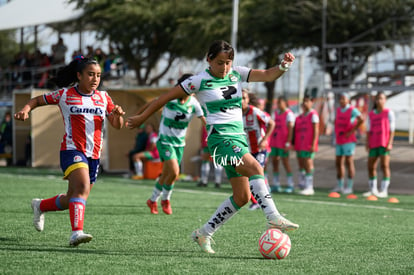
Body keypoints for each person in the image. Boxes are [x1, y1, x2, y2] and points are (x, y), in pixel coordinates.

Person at [126, 40, 299, 254]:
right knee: (255, 167)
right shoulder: (198, 81)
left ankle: (204, 233)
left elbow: (266, 74)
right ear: (208, 59)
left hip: (238, 140)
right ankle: (273, 218)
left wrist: (283, 66)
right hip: (220, 140)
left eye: (228, 62)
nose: (224, 67)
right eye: (219, 62)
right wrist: (142, 117)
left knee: (242, 197)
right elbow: (164, 98)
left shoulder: (237, 73)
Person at [14, 57, 125, 246]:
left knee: (72, 198)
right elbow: (36, 100)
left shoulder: (104, 97)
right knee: (81, 189)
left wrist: (117, 116)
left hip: (94, 156)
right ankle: (76, 233)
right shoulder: (64, 94)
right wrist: (25, 110)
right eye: (90, 74)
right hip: (72, 149)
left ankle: (39, 205)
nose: (95, 79)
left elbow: (117, 125)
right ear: (79, 75)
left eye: (98, 75)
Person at [146, 74, 206, 215]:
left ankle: (152, 200)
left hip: (179, 144)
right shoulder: (170, 98)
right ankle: (165, 200)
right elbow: (152, 103)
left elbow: (203, 119)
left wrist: (213, 132)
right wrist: (138, 116)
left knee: (168, 174)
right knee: (174, 171)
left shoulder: (193, 103)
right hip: (165, 141)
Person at [241, 89, 275, 210]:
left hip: (259, 149)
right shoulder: (234, 114)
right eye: (239, 98)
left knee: (258, 172)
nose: (241, 100)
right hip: (246, 151)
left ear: (248, 99)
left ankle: (265, 198)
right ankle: (256, 201)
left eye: (244, 98)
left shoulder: (254, 112)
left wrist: (265, 139)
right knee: (247, 176)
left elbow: (271, 123)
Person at [364, 92, 395, 198]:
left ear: (385, 100)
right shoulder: (371, 114)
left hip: (384, 143)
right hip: (373, 143)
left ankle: (384, 190)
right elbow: (368, 130)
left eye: (381, 98)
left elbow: (392, 130)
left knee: (384, 166)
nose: (379, 101)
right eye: (377, 99)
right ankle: (373, 189)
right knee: (370, 166)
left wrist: (390, 142)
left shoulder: (388, 112)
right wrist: (367, 142)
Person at [331, 92, 363, 194]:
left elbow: (361, 119)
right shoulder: (339, 110)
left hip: (348, 140)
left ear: (348, 100)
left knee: (349, 162)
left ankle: (349, 187)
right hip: (339, 139)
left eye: (344, 99)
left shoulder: (352, 110)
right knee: (338, 162)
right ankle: (340, 186)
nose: (341, 101)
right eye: (340, 99)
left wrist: (352, 131)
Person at [269, 96, 296, 193]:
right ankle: (276, 184)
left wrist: (288, 143)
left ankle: (290, 184)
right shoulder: (275, 113)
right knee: (274, 162)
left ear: (285, 103)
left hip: (283, 143)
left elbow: (291, 129)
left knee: (285, 162)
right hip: (275, 142)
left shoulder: (289, 114)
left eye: (280, 102)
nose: (278, 105)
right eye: (278, 103)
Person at [295, 94, 319, 196]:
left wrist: (313, 144)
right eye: (304, 101)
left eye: (307, 101)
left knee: (308, 164)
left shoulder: (313, 114)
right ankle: (304, 185)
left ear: (311, 102)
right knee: (303, 164)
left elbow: (316, 130)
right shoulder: (302, 115)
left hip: (309, 144)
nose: (305, 103)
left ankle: (310, 187)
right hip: (301, 144)